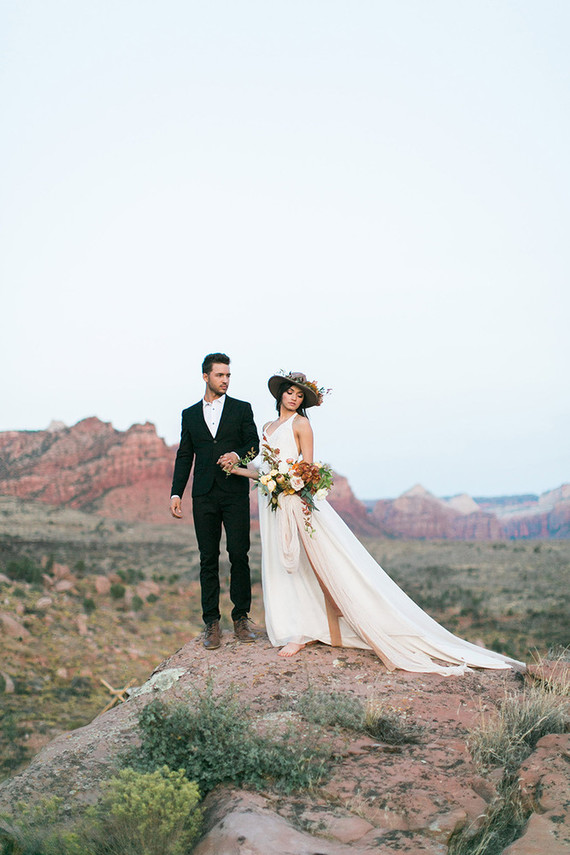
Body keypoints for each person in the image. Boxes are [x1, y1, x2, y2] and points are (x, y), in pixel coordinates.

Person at [223, 371, 525, 675]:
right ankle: (294, 625)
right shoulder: (267, 426)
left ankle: (303, 632)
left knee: (309, 561)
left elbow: (307, 468)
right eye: (290, 392)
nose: (293, 398)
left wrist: (290, 484)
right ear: (280, 394)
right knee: (282, 562)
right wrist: (240, 471)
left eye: (299, 395)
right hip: (272, 501)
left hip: (294, 500)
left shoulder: (301, 424)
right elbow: (267, 468)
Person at [170, 353, 259, 649]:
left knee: (238, 555)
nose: (226, 380)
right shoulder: (190, 414)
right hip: (203, 494)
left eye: (228, 375)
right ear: (205, 376)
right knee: (207, 559)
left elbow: (253, 445)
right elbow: (185, 456)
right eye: (220, 375)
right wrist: (176, 493)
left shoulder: (241, 409)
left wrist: (237, 456)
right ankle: (211, 623)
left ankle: (241, 618)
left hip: (234, 491)